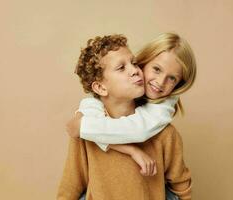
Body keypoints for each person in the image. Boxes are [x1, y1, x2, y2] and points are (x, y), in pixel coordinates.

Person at [57, 34, 194, 200]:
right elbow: (71, 184)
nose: (134, 70)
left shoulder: (165, 134)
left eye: (134, 63)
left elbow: (181, 186)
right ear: (100, 87)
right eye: (121, 68)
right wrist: (131, 151)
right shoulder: (87, 129)